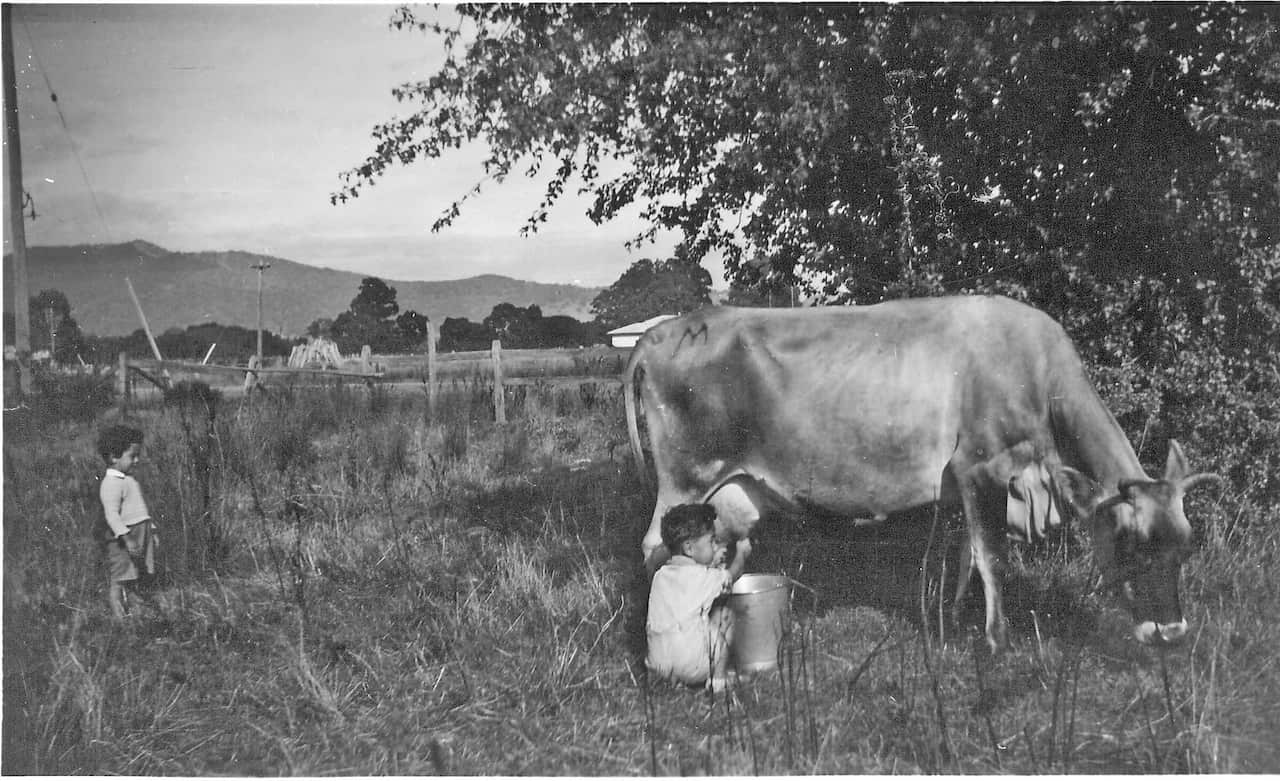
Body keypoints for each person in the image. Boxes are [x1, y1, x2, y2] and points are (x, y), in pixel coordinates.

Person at [645, 503, 746, 692]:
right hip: (691, 666)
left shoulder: (660, 575)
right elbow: (733, 575)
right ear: (689, 548)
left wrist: (712, 561)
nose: (716, 546)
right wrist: (741, 553)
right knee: (724, 615)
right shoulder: (702, 578)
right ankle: (718, 681)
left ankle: (676, 684)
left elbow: (692, 588)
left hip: (657, 667)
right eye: (712, 541)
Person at [95, 424, 158, 619]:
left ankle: (134, 608)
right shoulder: (110, 484)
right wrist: (128, 539)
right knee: (120, 578)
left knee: (135, 574)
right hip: (123, 540)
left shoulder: (128, 479)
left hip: (140, 535)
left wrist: (152, 532)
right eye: (132, 456)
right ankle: (119, 618)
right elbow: (112, 516)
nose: (137, 460)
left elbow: (141, 510)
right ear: (114, 457)